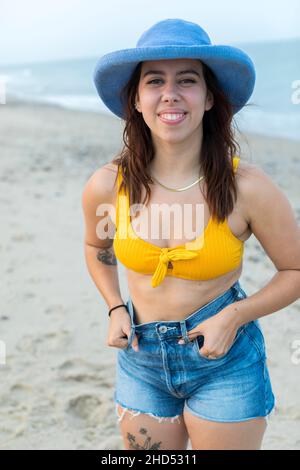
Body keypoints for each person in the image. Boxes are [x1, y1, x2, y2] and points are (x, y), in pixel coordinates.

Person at [82, 18, 300, 450]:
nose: (170, 93)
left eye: (187, 79)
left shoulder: (248, 188)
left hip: (226, 363)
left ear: (209, 97)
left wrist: (235, 316)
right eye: (154, 81)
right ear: (137, 101)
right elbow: (97, 247)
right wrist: (113, 307)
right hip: (141, 361)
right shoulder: (109, 185)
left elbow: (294, 269)